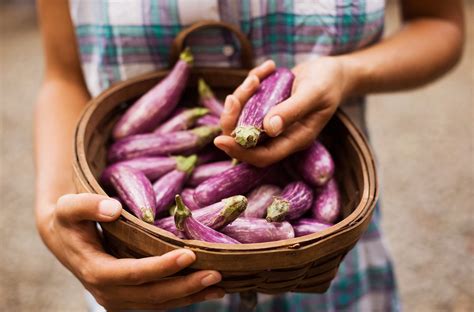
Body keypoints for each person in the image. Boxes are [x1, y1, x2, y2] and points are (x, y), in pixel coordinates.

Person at [34, 0, 464, 311]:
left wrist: (347, 72)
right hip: (143, 270)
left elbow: (439, 24)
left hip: (323, 252)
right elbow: (62, 77)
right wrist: (53, 218)